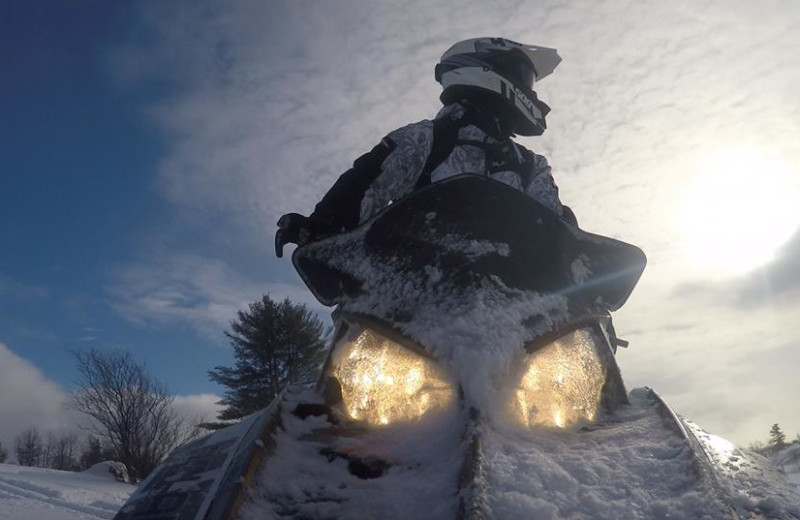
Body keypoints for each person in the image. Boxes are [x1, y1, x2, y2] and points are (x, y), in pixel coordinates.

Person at [276, 37, 576, 257]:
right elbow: (368, 182)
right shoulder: (426, 138)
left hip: (518, 298)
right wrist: (322, 226)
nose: (529, 91)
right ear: (488, 70)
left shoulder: (529, 164)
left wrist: (582, 258)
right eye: (525, 78)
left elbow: (555, 223)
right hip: (412, 291)